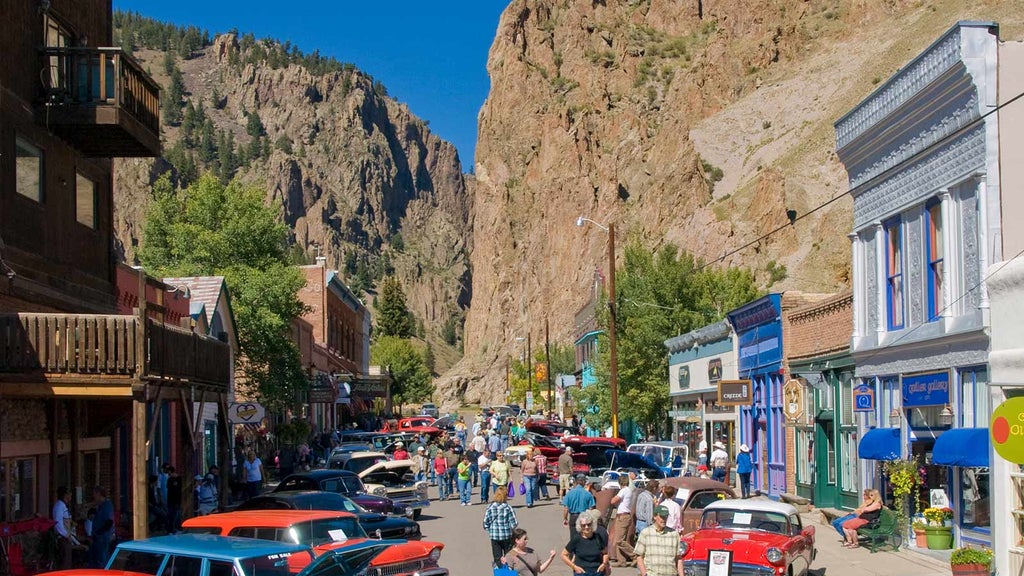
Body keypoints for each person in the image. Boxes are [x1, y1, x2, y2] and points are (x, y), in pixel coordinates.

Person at [634, 506, 683, 576]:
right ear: (655, 516)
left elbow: (678, 558)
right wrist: (644, 574)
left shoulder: (674, 534)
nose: (664, 519)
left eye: (666, 517)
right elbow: (639, 556)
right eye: (662, 517)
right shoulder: (646, 533)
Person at [561, 509, 609, 576]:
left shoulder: (598, 537)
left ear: (592, 524)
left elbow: (605, 553)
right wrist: (574, 567)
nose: (586, 527)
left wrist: (604, 564)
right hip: (582, 573)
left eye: (588, 524)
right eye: (583, 525)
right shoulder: (576, 539)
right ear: (580, 526)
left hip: (597, 572)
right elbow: (563, 555)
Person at [483, 486, 518, 567]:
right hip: (507, 536)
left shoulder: (490, 507)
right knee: (509, 557)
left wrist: (491, 529)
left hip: (495, 536)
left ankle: (500, 571)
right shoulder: (508, 508)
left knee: (497, 558)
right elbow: (514, 523)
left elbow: (485, 523)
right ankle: (509, 572)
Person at [608, 474, 635, 567]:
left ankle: (635, 555)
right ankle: (621, 560)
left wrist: (613, 498)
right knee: (617, 540)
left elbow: (613, 501)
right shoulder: (629, 491)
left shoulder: (623, 491)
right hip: (624, 516)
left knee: (619, 540)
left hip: (622, 516)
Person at [53, 486, 80, 569]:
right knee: (65, 564)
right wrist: (66, 535)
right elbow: (58, 524)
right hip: (63, 539)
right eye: (69, 494)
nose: (71, 497)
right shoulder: (59, 506)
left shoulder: (63, 506)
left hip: (67, 538)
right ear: (65, 495)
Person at [563, 474, 596, 540]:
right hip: (583, 517)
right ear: (584, 482)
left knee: (573, 537)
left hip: (573, 517)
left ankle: (574, 549)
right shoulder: (588, 494)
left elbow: (566, 508)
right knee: (584, 537)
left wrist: (565, 518)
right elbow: (591, 508)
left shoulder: (569, 493)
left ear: (576, 482)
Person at [88, 486, 114, 569]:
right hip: (97, 537)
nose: (93, 496)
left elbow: (109, 522)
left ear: (98, 494)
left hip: (102, 538)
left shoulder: (107, 505)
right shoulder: (100, 505)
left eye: (94, 494)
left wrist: (99, 533)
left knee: (102, 561)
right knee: (95, 560)